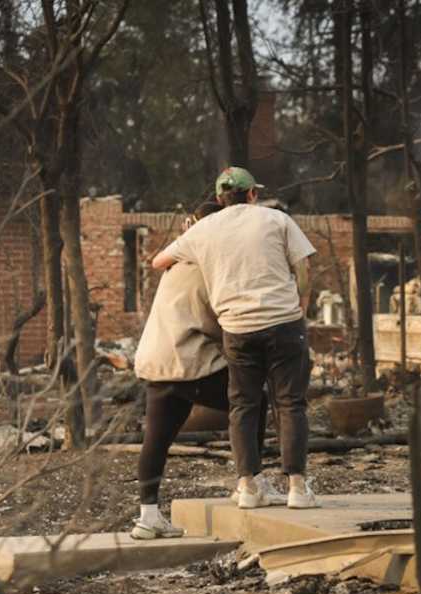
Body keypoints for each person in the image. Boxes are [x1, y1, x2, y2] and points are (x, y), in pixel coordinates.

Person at [152, 167, 318, 509]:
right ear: (252, 194)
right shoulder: (276, 219)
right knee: (290, 404)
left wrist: (189, 238)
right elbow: (303, 267)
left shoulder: (205, 230)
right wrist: (301, 307)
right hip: (284, 323)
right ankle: (298, 488)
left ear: (218, 199)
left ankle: (247, 487)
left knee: (243, 404)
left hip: (238, 329)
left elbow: (159, 261)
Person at [130, 201, 283, 539]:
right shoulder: (211, 264)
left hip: (158, 361)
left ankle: (148, 516)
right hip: (190, 359)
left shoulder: (179, 261)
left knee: (156, 439)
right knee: (252, 400)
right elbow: (223, 320)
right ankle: (252, 482)